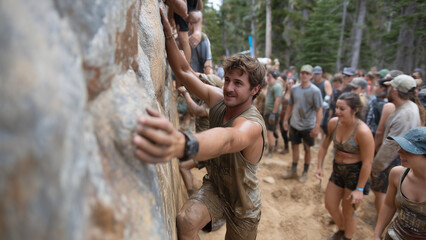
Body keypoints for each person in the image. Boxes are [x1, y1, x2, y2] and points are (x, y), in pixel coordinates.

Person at [133, 10, 267, 239]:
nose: (229, 88)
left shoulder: (252, 124)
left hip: (243, 207)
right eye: (227, 80)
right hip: (215, 188)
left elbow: (228, 140)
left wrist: (184, 143)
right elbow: (184, 73)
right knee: (185, 221)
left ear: (254, 90)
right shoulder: (218, 99)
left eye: (238, 83)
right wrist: (168, 37)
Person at [315, 92, 374, 240]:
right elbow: (323, 146)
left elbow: (368, 162)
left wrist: (360, 189)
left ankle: (347, 237)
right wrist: (319, 167)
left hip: (355, 174)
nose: (337, 112)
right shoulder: (333, 123)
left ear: (355, 110)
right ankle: (341, 229)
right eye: (336, 108)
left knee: (349, 211)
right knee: (330, 204)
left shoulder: (363, 131)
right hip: (338, 170)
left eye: (342, 109)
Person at [371, 75, 421, 216]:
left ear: (394, 91)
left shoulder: (404, 114)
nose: (387, 90)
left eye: (390, 87)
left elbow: (391, 146)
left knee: (382, 194)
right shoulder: (409, 107)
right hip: (398, 160)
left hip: (392, 161)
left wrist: (376, 166)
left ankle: (380, 223)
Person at [373, 126, 426, 240]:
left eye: (409, 150)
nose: (399, 151)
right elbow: (389, 205)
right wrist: (377, 234)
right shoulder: (398, 174)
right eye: (401, 147)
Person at [177, 73, 223, 195]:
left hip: (207, 147)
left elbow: (197, 111)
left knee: (184, 166)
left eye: (206, 83)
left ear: (213, 86)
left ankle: (193, 195)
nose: (203, 84)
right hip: (205, 145)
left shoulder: (213, 102)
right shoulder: (208, 99)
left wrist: (186, 93)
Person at [282, 64, 323, 182]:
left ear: (311, 76)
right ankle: (293, 170)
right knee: (294, 146)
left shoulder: (315, 91)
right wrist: (286, 120)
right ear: (300, 74)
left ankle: (305, 172)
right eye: (303, 73)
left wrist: (317, 127)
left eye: (307, 73)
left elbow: (319, 109)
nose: (304, 75)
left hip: (308, 126)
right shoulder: (294, 88)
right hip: (295, 124)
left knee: (307, 149)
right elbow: (290, 104)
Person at [264, 70, 283, 158]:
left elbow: (278, 100)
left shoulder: (277, 86)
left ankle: (271, 150)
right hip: (268, 111)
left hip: (272, 112)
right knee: (270, 130)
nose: (267, 77)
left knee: (270, 131)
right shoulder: (270, 86)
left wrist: (273, 114)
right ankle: (275, 145)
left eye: (268, 76)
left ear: (270, 75)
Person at [312, 66, 332, 139]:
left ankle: (322, 139)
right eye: (315, 74)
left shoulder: (325, 83)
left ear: (321, 74)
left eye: (318, 74)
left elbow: (329, 94)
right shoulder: (311, 83)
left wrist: (325, 103)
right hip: (312, 107)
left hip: (322, 107)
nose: (316, 76)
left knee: (322, 124)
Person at [279, 76, 294, 154]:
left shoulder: (295, 94)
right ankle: (286, 146)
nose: (290, 85)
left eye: (291, 83)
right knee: (283, 131)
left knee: (291, 132)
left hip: (291, 116)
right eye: (289, 83)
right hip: (282, 115)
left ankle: (292, 146)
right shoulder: (284, 93)